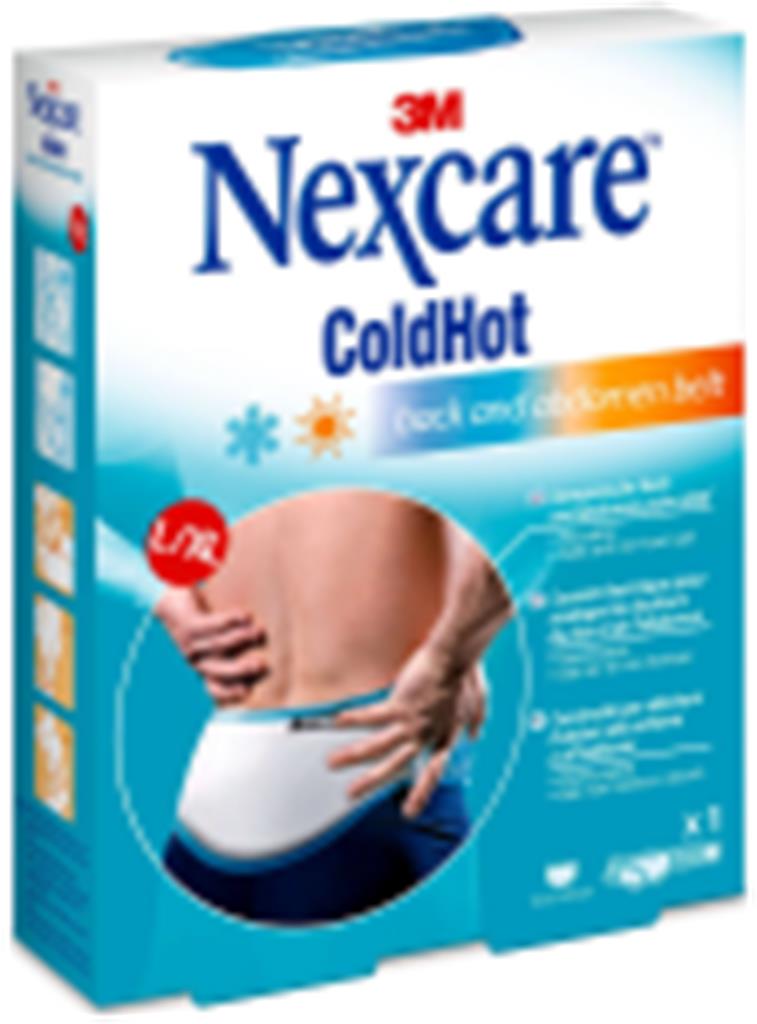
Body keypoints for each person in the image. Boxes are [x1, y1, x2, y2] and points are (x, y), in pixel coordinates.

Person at [157, 490, 513, 923]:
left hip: (214, 800)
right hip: (374, 779)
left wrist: (163, 594)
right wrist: (449, 653)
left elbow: (83, 520)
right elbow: (523, 522)